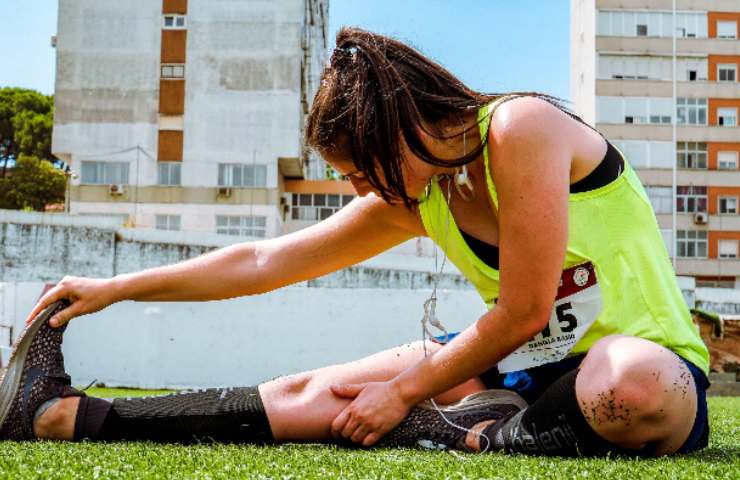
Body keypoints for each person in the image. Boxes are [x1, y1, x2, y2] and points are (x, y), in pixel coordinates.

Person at [0, 27, 709, 457]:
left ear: (396, 128)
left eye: (358, 170)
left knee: (626, 387)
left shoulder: (521, 129)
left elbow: (523, 309)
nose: (360, 192)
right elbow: (262, 260)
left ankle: (476, 433)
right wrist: (115, 288)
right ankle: (66, 416)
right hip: (520, 372)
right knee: (325, 394)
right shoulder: (418, 194)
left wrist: (404, 393)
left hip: (647, 367)